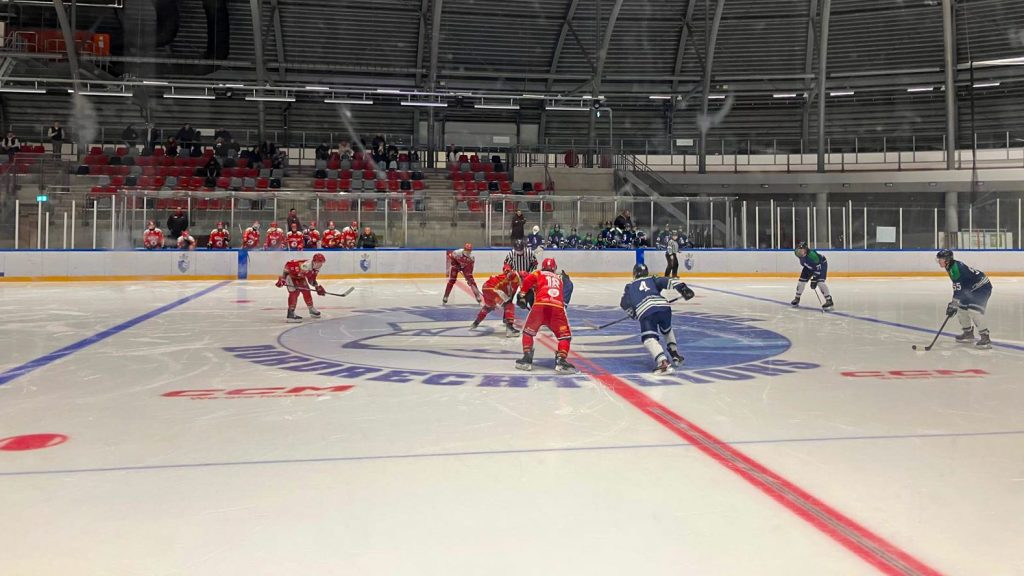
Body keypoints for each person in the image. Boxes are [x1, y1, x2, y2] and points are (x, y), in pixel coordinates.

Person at [619, 263, 695, 374]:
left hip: (647, 311)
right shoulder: (652, 279)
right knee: (667, 330)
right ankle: (675, 354)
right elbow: (668, 281)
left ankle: (663, 362)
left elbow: (624, 303)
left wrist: (633, 313)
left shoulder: (630, 286)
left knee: (649, 338)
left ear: (634, 274)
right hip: (664, 307)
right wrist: (683, 288)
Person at [515, 257, 576, 374]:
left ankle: (527, 358)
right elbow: (567, 288)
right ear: (555, 268)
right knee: (565, 337)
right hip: (557, 308)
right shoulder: (560, 278)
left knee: (528, 332)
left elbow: (527, 281)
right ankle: (561, 360)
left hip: (540, 307)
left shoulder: (538, 273)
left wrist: (522, 295)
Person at [937, 249, 992, 349]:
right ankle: (968, 333)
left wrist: (953, 303)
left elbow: (958, 289)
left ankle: (985, 337)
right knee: (961, 309)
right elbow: (958, 286)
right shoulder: (949, 266)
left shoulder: (956, 268)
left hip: (982, 287)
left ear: (948, 259)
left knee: (974, 311)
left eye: (941, 259)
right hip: (970, 289)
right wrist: (954, 304)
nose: (939, 261)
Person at [470, 263, 522, 337]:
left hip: (486, 287)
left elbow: (509, 295)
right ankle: (510, 329)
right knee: (509, 305)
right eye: (521, 279)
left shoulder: (512, 280)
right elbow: (508, 271)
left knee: (489, 307)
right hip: (492, 288)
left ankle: (476, 322)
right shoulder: (512, 276)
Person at [276, 253, 326, 323]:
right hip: (291, 276)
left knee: (307, 291)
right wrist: (283, 279)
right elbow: (287, 267)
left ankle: (311, 309)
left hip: (300, 277)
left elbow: (311, 279)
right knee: (294, 293)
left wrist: (317, 287)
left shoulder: (316, 267)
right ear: (314, 261)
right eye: (319, 262)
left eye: (322, 263)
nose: (320, 264)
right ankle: (290, 313)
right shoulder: (305, 266)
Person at [791, 242, 833, 310]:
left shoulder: (813, 256)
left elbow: (818, 268)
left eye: (802, 250)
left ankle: (829, 300)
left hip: (821, 265)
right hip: (809, 266)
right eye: (799, 250)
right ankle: (797, 298)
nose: (800, 252)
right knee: (801, 282)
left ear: (806, 250)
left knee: (820, 283)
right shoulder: (798, 254)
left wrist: (815, 279)